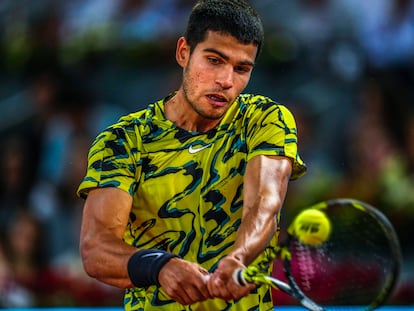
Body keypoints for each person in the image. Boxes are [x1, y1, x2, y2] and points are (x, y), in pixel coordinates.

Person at [77, 0, 306, 310]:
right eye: (214, 60)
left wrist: (238, 257)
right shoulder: (123, 139)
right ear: (183, 52)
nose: (226, 80)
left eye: (242, 68)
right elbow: (96, 249)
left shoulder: (265, 119)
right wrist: (159, 267)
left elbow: (263, 203)